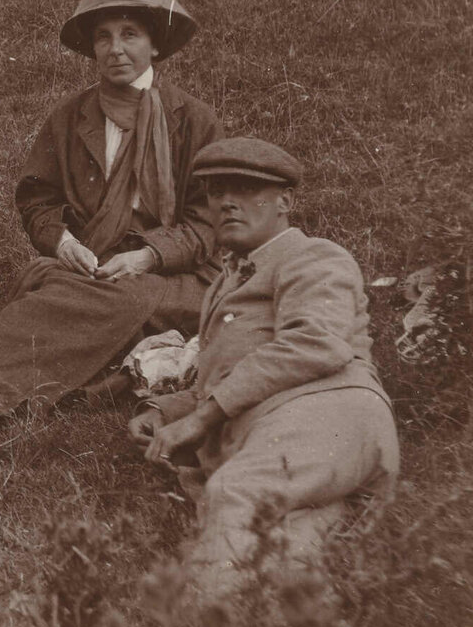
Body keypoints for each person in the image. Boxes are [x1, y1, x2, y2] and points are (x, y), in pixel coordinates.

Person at [0, 0, 222, 416]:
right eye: (103, 37)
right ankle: (99, 371)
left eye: (130, 35)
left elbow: (209, 222)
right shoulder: (69, 117)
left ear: (155, 44)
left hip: (176, 277)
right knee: (53, 279)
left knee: (125, 298)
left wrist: (147, 257)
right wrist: (64, 243)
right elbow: (36, 200)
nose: (116, 49)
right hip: (91, 268)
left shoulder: (194, 120)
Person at [128, 138, 398, 601]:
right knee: (288, 546)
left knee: (237, 493)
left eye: (247, 189)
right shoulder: (229, 280)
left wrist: (201, 419)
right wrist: (166, 410)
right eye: (216, 192)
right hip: (277, 431)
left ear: (285, 202)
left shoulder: (314, 256)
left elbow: (317, 344)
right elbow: (230, 375)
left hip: (327, 411)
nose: (227, 202)